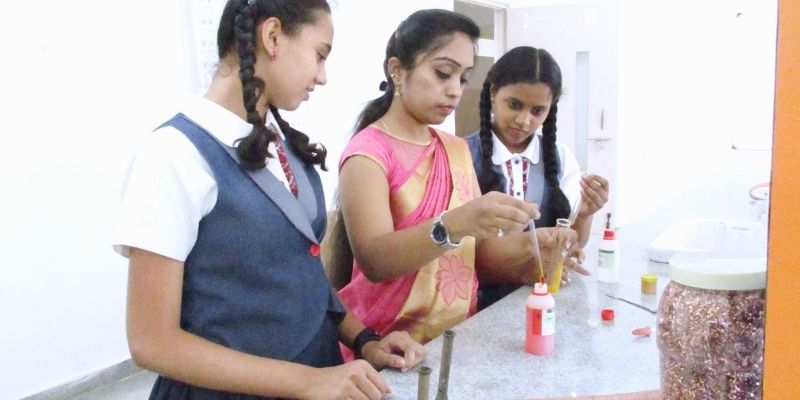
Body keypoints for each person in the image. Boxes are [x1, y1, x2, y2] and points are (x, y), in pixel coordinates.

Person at [112, 1, 424, 399]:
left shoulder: (279, 142)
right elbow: (152, 342)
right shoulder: (174, 155)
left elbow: (302, 274)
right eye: (320, 55)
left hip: (318, 374)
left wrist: (364, 340)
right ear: (272, 37)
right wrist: (307, 381)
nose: (322, 76)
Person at [326, 9, 542, 353]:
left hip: (456, 338)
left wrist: (535, 245)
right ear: (398, 70)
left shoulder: (455, 150)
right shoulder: (367, 154)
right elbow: (375, 260)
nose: (455, 91)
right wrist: (455, 224)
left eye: (464, 78)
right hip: (385, 348)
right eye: (443, 73)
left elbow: (478, 255)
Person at [465, 46, 610, 308]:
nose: (524, 121)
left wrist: (584, 214)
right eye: (514, 105)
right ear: (493, 92)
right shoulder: (461, 155)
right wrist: (526, 268)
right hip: (477, 304)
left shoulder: (559, 156)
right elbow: (460, 256)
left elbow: (571, 245)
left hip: (544, 300)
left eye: (537, 111)